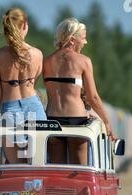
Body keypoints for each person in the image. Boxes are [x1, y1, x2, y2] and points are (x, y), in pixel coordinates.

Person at [43, 18, 115, 165]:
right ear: (72, 39)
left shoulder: (47, 61)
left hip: (51, 118)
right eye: (83, 38)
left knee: (58, 172)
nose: (85, 43)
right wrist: (106, 122)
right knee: (78, 171)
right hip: (76, 120)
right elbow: (93, 97)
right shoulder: (83, 61)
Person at [0, 7, 47, 164]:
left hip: (10, 108)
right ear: (25, 25)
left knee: (15, 168)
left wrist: (3, 109)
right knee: (38, 163)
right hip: (35, 107)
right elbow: (33, 82)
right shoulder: (37, 54)